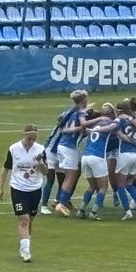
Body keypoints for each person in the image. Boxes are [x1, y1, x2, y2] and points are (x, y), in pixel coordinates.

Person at [0, 124, 47, 263]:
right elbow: (6, 168)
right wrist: (0, 187)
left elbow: (45, 172)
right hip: (18, 188)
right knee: (23, 219)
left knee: (30, 219)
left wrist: (41, 162)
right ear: (23, 135)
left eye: (34, 139)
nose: (31, 141)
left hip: (35, 188)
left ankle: (24, 244)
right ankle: (26, 251)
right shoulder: (14, 149)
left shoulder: (41, 149)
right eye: (29, 138)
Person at [44, 89, 91, 217]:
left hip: (64, 146)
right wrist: (85, 127)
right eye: (87, 98)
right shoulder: (79, 113)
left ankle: (61, 201)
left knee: (70, 175)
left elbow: (66, 127)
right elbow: (72, 128)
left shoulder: (71, 111)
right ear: (83, 100)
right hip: (68, 147)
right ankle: (61, 203)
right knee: (71, 176)